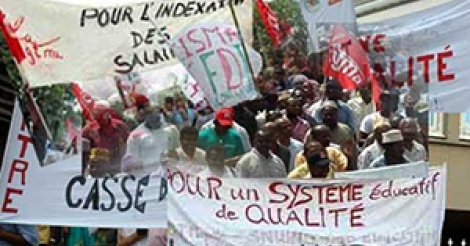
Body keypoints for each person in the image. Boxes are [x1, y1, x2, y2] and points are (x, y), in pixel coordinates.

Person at [124, 106, 180, 175]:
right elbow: (132, 162)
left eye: (158, 118)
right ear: (145, 117)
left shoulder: (171, 130)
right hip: (149, 177)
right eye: (153, 119)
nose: (156, 122)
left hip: (171, 174)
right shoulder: (135, 136)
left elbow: (178, 152)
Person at [82, 104, 130, 177]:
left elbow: (129, 144)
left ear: (108, 114)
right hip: (98, 171)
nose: (100, 118)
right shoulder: (89, 129)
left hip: (119, 169)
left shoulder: (121, 126)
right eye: (96, 116)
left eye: (102, 115)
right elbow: (84, 152)